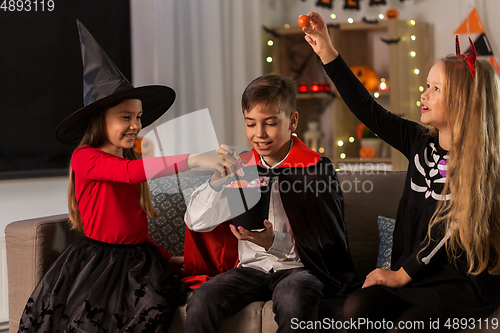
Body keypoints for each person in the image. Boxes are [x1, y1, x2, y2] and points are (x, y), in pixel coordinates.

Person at [17, 21, 237, 333]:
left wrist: (164, 257)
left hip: (138, 259)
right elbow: (128, 174)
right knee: (92, 319)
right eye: (125, 117)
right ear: (99, 119)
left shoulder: (130, 157)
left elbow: (133, 226)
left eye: (138, 117)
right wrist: (193, 158)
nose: (135, 124)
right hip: (99, 263)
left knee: (156, 306)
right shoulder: (87, 158)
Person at [303, 11, 500, 332]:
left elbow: (447, 231)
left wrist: (401, 274)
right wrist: (327, 51)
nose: (423, 94)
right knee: (356, 307)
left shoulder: (479, 164)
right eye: (426, 85)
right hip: (413, 277)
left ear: (464, 101)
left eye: (436, 89)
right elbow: (368, 108)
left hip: (455, 284)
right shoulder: (418, 140)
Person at [182, 73, 358, 333]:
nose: (259, 134)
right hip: (249, 270)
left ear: (292, 121)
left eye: (270, 123)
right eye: (250, 123)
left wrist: (273, 242)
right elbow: (196, 221)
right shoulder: (240, 166)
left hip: (298, 269)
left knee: (292, 297)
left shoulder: (315, 169)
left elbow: (328, 241)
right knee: (202, 301)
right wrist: (218, 181)